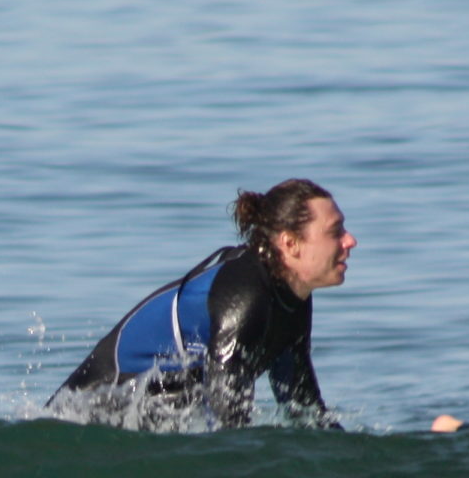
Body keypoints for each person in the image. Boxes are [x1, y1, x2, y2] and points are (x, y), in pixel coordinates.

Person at [51, 179, 353, 428]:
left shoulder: (292, 298)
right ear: (290, 243)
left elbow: (302, 407)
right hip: (95, 405)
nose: (349, 241)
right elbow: (227, 420)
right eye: (335, 232)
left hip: (150, 407)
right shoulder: (246, 296)